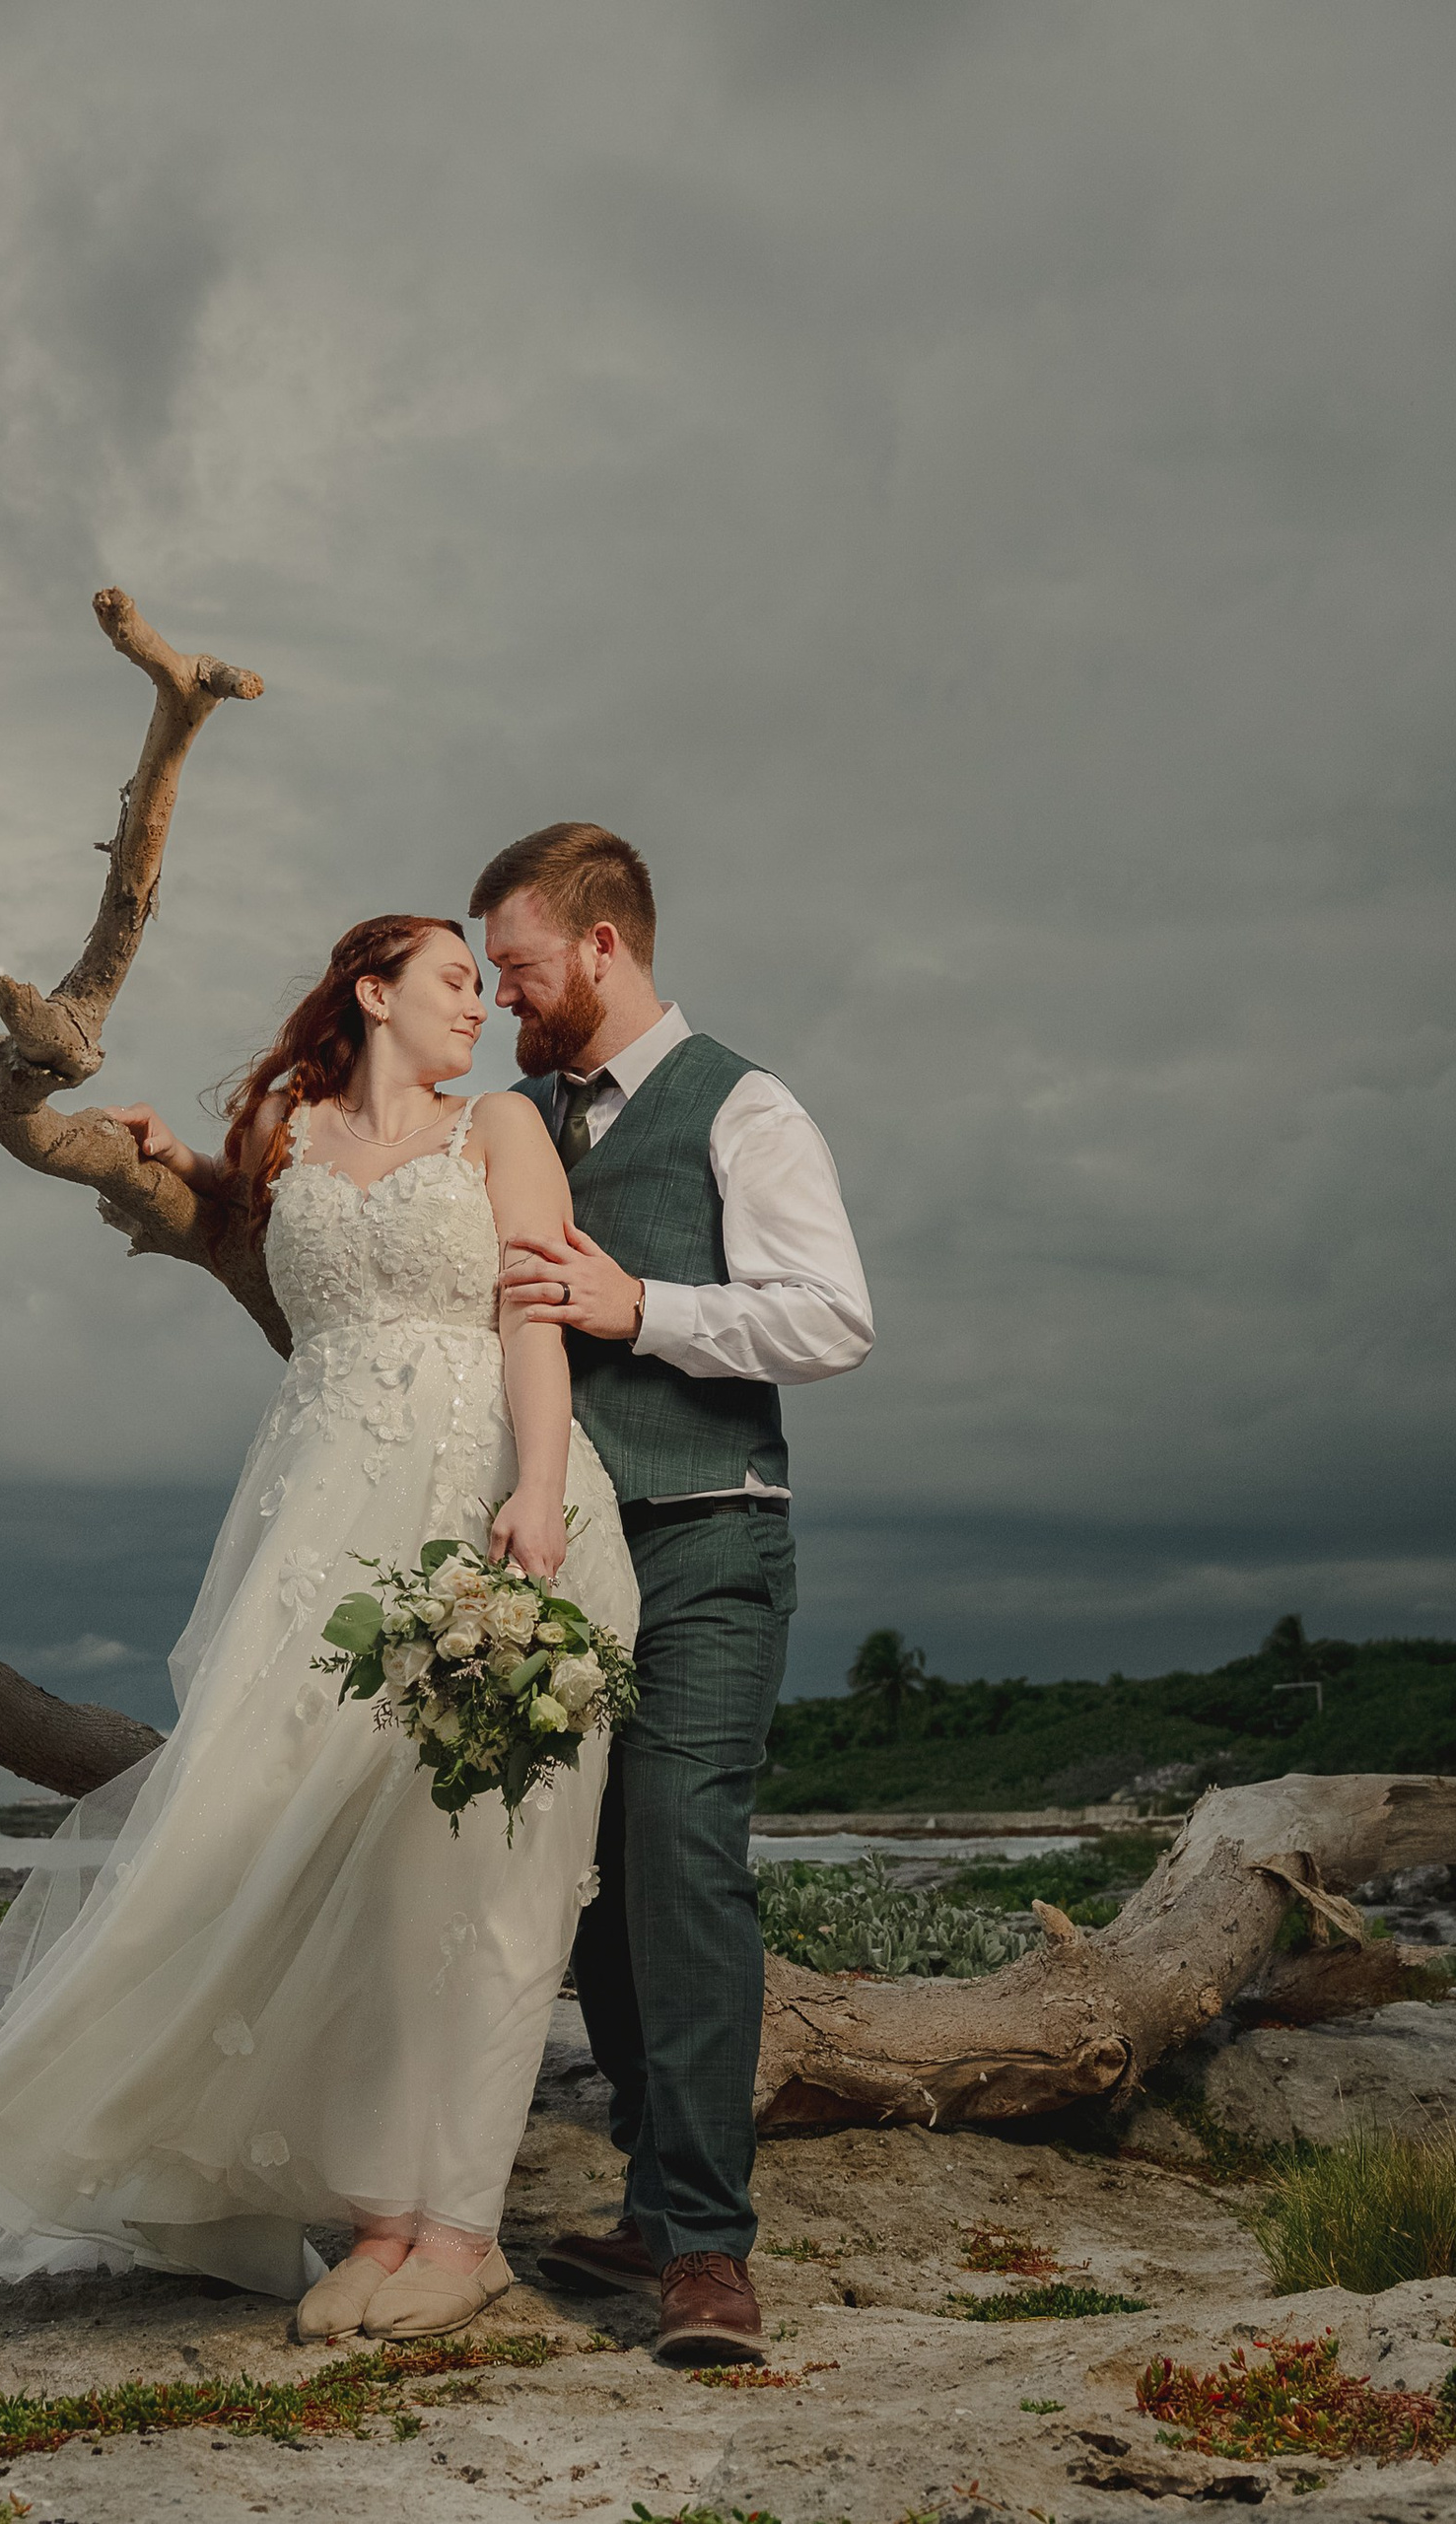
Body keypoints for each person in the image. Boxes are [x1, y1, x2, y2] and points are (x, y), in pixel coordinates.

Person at [0, 915, 639, 2349]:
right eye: (454, 980)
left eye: (486, 981)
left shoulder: (505, 1129)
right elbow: (288, 1234)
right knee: (328, 1873)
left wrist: (537, 1493)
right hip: (323, 1526)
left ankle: (458, 2232)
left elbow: (534, 1318)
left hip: (486, 1503)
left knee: (477, 1882)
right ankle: (379, 2217)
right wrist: (185, 1163)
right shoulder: (293, 1132)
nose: (479, 1002)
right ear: (374, 992)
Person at [472, 823, 872, 2368]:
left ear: (603, 947)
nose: (506, 994)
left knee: (685, 1856)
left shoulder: (746, 1107)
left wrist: (640, 1308)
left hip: (710, 1533)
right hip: (562, 1553)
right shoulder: (514, 1117)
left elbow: (833, 1318)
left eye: (518, 965)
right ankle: (648, 2193)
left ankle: (707, 2251)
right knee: (593, 1876)